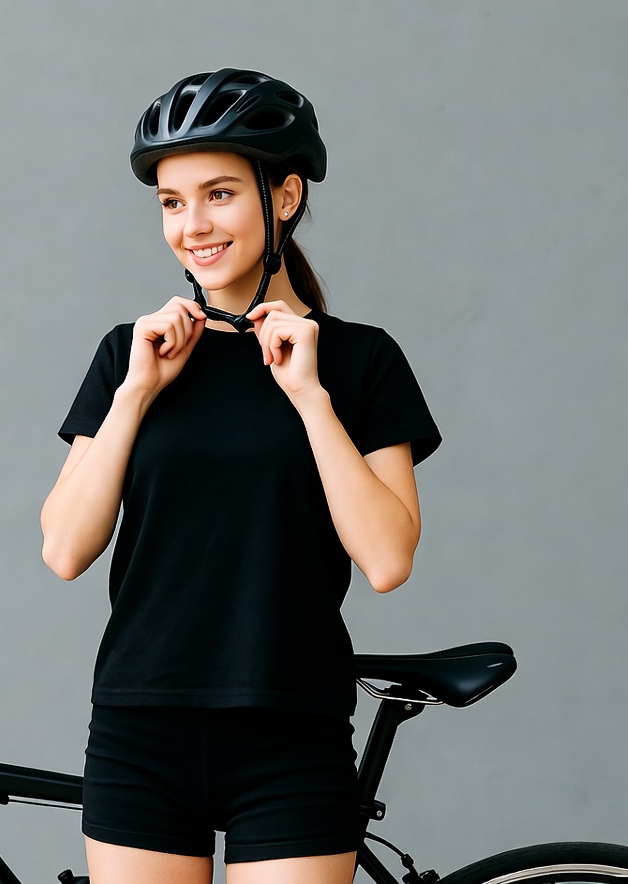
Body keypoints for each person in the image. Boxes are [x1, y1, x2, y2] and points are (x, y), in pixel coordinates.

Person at [40, 68, 441, 884]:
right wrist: (135, 395)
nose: (192, 225)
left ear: (285, 197)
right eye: (171, 202)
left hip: (291, 731)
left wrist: (309, 396)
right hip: (140, 726)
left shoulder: (360, 360)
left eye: (218, 194)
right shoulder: (129, 354)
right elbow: (65, 548)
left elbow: (389, 559)